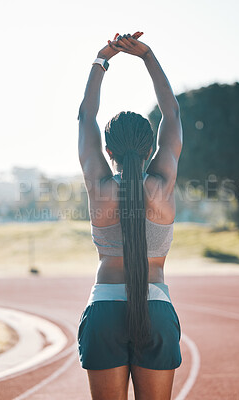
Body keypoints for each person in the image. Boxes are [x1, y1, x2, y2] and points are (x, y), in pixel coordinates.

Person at [77, 32, 183, 400]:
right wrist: (148, 56)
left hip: (104, 309)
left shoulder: (99, 187)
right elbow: (172, 113)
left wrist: (102, 59)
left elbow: (85, 116)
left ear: (107, 150)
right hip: (155, 309)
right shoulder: (163, 186)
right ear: (152, 148)